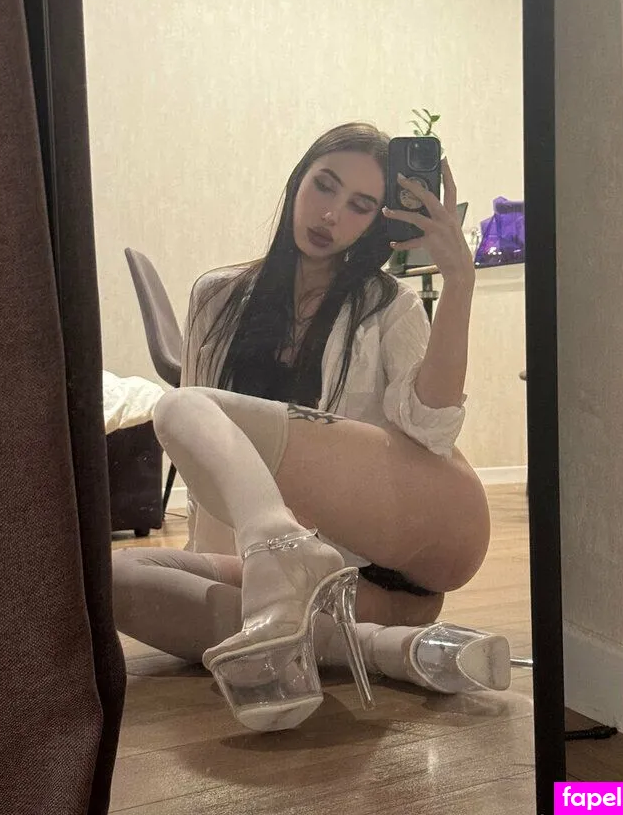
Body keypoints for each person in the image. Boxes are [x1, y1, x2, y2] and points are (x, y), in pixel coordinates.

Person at [113, 122, 512, 731]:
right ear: (298, 180)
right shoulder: (217, 298)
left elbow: (432, 431)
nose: (331, 215)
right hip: (351, 599)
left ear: (374, 222)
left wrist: (458, 283)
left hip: (397, 548)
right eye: (324, 186)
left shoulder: (389, 306)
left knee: (181, 407)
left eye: (359, 205)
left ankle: (281, 558)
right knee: (111, 578)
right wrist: (213, 568)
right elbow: (203, 470)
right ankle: (387, 649)